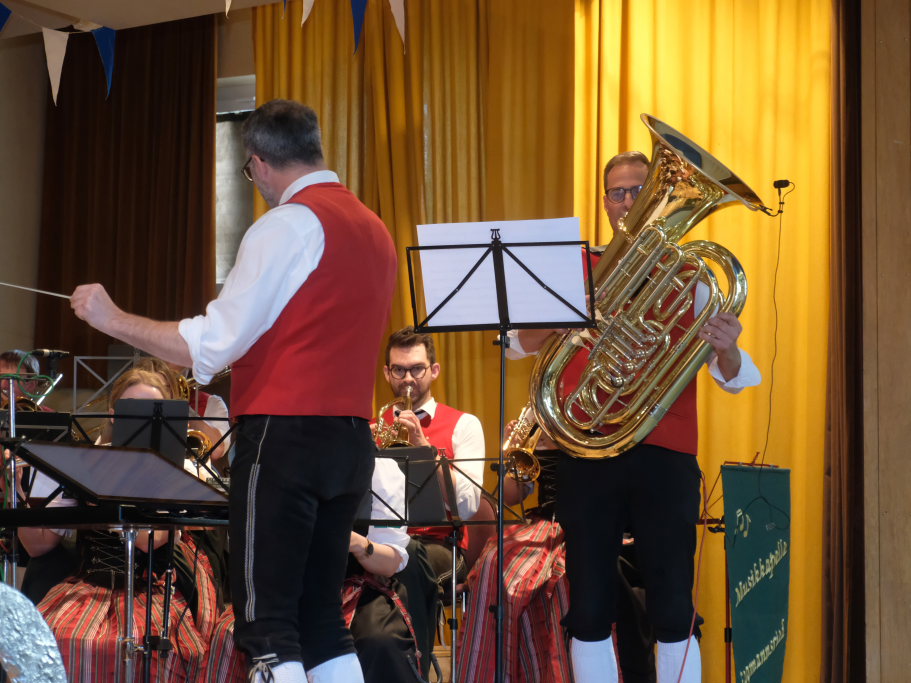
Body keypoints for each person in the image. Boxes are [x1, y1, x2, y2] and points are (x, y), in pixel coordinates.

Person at [70, 99, 398, 683]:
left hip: (284, 437)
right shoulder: (375, 229)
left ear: (259, 162)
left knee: (267, 626)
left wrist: (111, 318)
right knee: (321, 620)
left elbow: (212, 345)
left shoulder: (286, 225)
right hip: (350, 439)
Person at [508, 151, 762, 683]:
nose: (628, 202)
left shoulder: (692, 274)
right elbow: (516, 344)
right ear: (604, 203)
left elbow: (735, 376)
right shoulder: (574, 268)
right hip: (586, 448)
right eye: (618, 193)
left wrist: (728, 347)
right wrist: (561, 315)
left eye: (639, 190)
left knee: (673, 603)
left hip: (663, 453)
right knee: (589, 605)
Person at [21, 367, 221, 681]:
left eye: (153, 413)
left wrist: (116, 483)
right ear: (114, 416)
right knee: (58, 636)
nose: (142, 422)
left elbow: (149, 541)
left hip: (154, 584)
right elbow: (38, 547)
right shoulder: (87, 460)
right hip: (92, 583)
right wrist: (26, 493)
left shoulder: (183, 467)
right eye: (132, 411)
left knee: (146, 648)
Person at [203, 456, 422, 683]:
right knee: (230, 633)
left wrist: (358, 543)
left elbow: (390, 564)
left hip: (358, 584)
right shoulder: (282, 460)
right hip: (291, 583)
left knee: (378, 640)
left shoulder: (381, 471)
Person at [376, 326, 486, 677]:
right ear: (387, 373)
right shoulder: (372, 426)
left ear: (434, 370)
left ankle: (415, 669)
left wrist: (424, 449)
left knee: (410, 558)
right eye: (399, 370)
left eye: (417, 369)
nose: (408, 379)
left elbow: (467, 506)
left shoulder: (464, 425)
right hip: (380, 541)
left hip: (441, 546)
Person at [457, 424, 571, 683]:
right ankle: (490, 673)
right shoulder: (538, 417)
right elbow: (509, 497)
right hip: (546, 523)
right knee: (493, 562)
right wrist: (518, 458)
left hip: (590, 524)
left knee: (561, 577)